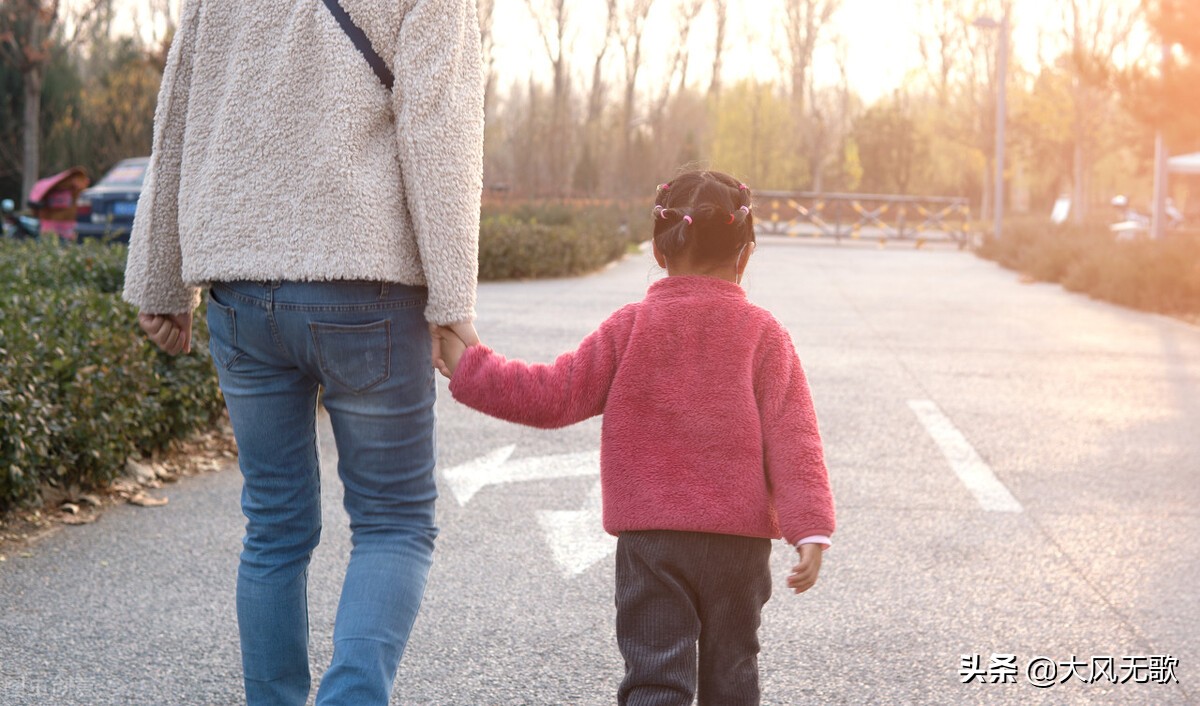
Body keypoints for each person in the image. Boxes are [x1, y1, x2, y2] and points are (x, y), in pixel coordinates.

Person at [123, 1, 484, 704]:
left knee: (275, 525)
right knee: (394, 521)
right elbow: (440, 129)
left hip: (240, 287)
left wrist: (159, 277)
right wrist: (452, 302)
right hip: (367, 285)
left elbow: (179, 118)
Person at [434, 170, 836, 706]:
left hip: (653, 541)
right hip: (738, 547)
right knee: (733, 672)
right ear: (747, 254)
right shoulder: (764, 335)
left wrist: (471, 368)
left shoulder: (632, 327)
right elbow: (795, 438)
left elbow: (554, 395)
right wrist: (810, 528)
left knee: (655, 678)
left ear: (658, 247)